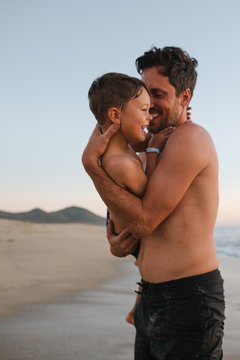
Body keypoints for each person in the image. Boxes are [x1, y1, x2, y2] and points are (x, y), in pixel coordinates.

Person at [82, 46, 224, 359]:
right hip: (149, 295)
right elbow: (134, 218)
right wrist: (119, 242)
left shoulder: (191, 138)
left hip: (190, 300)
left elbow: (144, 221)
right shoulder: (150, 147)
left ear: (184, 97)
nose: (150, 106)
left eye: (158, 94)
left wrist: (92, 166)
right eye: (145, 95)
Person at [88, 72, 173, 325]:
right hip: (128, 232)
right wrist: (154, 148)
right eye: (145, 109)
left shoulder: (116, 148)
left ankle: (135, 310)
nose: (149, 116)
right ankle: (135, 311)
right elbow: (151, 190)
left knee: (142, 268)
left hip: (116, 218)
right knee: (144, 264)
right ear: (115, 116)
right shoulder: (123, 164)